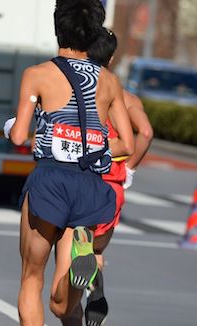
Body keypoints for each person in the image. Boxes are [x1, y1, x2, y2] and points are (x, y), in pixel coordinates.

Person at [7, 1, 134, 325]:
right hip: (90, 185)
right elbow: (127, 143)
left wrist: (19, 128)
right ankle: (81, 261)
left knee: (31, 279)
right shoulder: (108, 81)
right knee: (62, 306)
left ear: (57, 28)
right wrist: (89, 145)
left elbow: (20, 135)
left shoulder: (37, 75)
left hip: (50, 181)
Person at [77, 27, 153, 326]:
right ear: (110, 58)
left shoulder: (77, 91)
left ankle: (72, 301)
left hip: (81, 178)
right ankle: (93, 289)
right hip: (113, 184)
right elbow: (146, 133)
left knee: (72, 243)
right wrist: (130, 168)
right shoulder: (127, 97)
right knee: (95, 250)